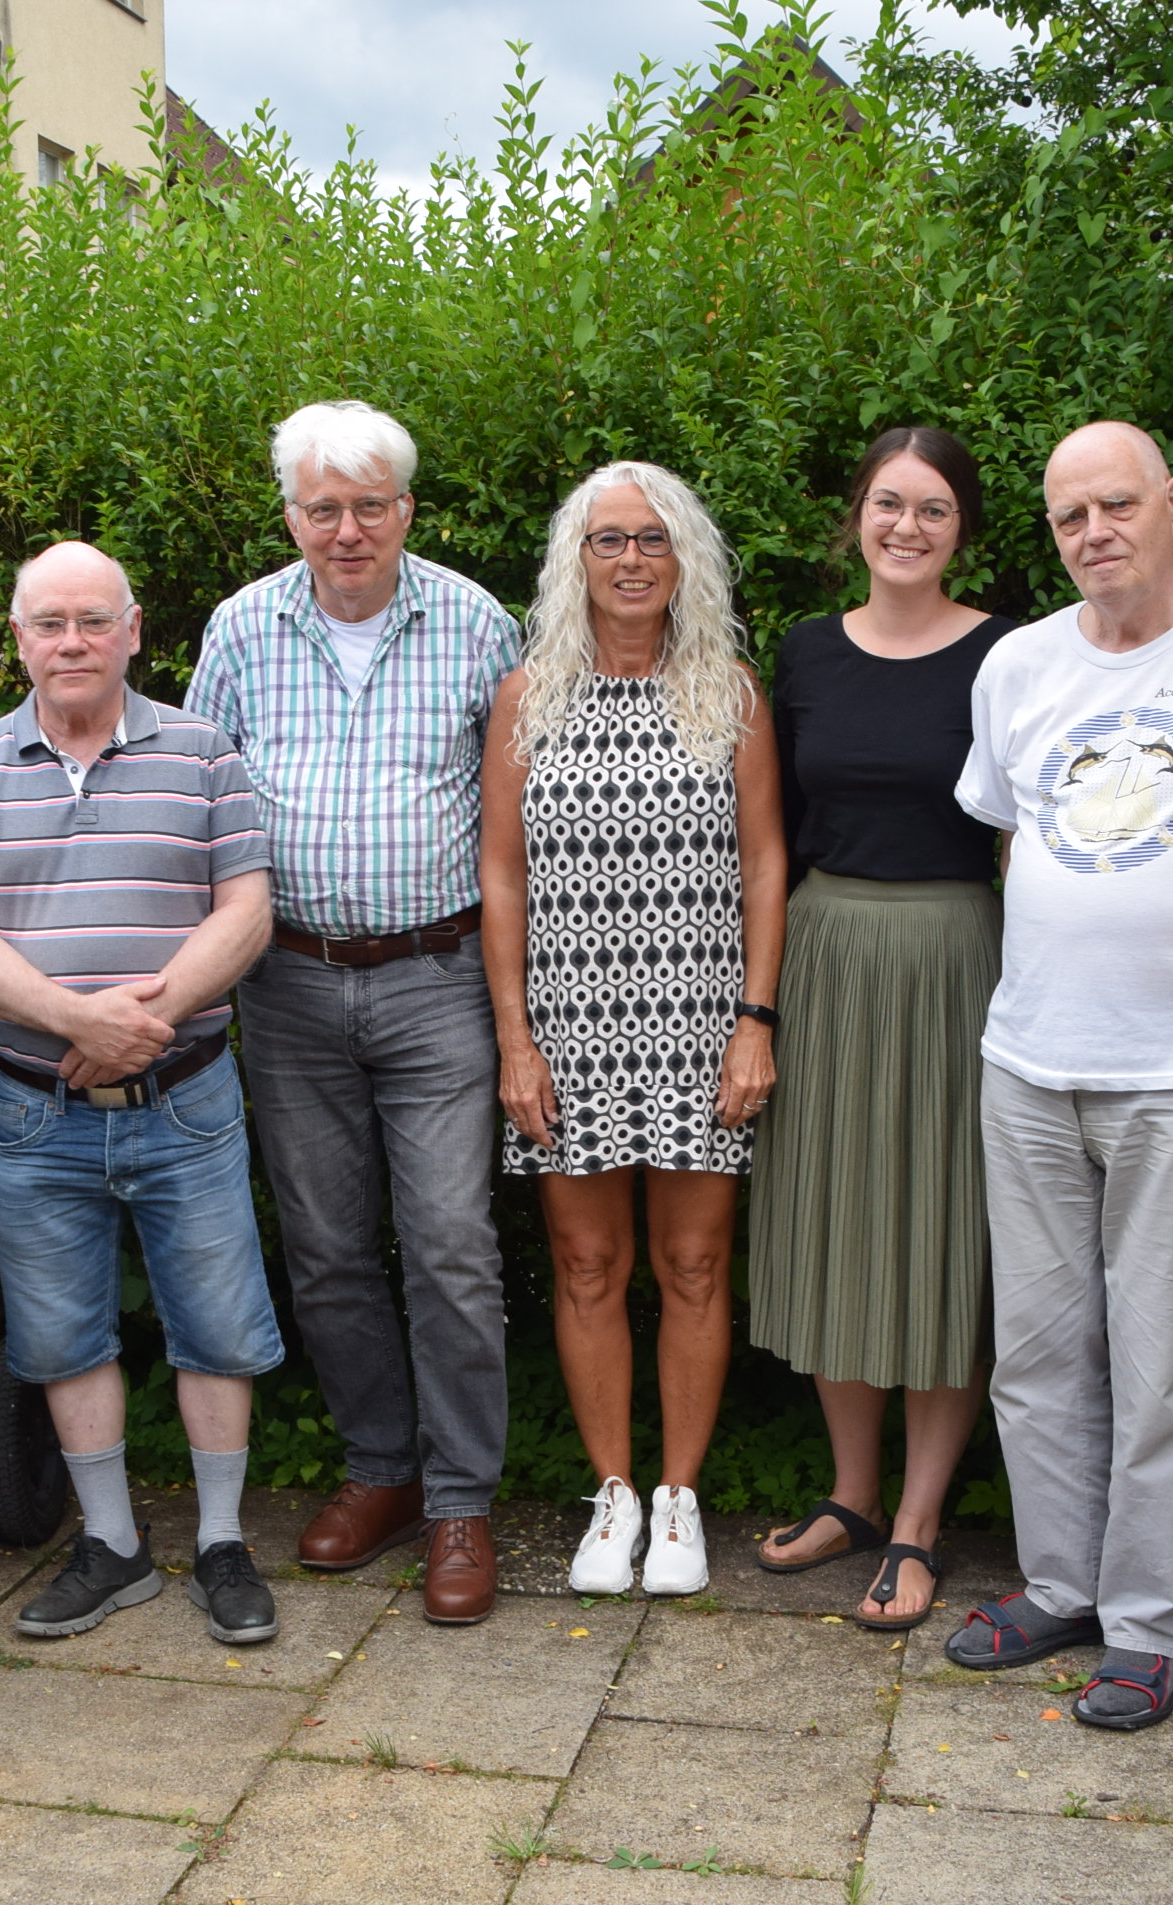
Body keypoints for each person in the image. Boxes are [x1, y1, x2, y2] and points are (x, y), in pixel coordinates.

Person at [945, 423, 1173, 1732]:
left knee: (1161, 1370)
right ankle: (1060, 1587)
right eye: (1068, 516)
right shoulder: (1017, 665)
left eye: (1117, 505)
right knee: (1039, 1357)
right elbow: (1013, 844)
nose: (1094, 531)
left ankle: (1150, 1628)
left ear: (1172, 505)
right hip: (1030, 1069)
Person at [185, 401, 522, 1624]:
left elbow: (520, 811)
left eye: (368, 505)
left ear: (405, 512)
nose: (346, 529)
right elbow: (197, 805)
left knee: (450, 1247)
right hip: (285, 986)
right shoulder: (240, 628)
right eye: (322, 508)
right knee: (325, 1253)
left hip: (437, 981)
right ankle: (379, 1467)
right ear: (291, 517)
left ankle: (461, 1499)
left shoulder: (479, 623)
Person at [0, 542, 285, 1647]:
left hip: (185, 1096)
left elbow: (248, 909)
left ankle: (222, 1541)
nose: (70, 642)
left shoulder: (204, 751)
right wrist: (77, 1021)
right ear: (19, 638)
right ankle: (114, 1543)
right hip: (36, 1108)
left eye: (92, 620)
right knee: (62, 1332)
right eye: (48, 623)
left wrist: (143, 1020)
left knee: (217, 1326)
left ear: (133, 631)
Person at [481, 462, 787, 1599]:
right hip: (569, 1027)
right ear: (576, 559)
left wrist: (754, 1020)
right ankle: (610, 1494)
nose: (628, 559)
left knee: (696, 1264)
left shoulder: (728, 689)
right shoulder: (528, 696)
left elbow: (765, 862)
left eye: (651, 540)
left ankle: (679, 1500)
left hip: (701, 1023)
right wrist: (515, 1039)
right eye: (607, 540)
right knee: (586, 1261)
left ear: (683, 558)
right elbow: (500, 876)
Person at [748, 428, 1015, 1631]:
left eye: (935, 510)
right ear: (854, 514)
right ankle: (851, 1495)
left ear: (963, 530)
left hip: (960, 953)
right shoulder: (802, 653)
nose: (906, 527)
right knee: (836, 1219)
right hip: (829, 955)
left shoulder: (1007, 655)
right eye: (887, 504)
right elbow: (774, 826)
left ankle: (916, 1520)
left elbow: (1021, 834)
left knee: (941, 1229)